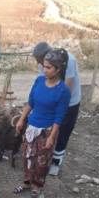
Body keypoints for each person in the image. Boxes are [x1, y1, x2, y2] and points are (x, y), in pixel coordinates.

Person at [14, 48, 70, 197]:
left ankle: (37, 185)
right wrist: (21, 119)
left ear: (58, 70)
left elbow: (59, 116)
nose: (44, 70)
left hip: (47, 129)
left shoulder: (63, 90)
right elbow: (30, 102)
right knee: (26, 155)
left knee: (42, 160)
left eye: (48, 67)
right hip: (31, 125)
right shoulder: (39, 81)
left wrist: (52, 136)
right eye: (44, 66)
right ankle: (26, 182)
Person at [32, 42, 81, 176]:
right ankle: (42, 156)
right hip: (51, 99)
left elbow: (67, 88)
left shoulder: (69, 60)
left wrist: (54, 108)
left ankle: (55, 163)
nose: (42, 67)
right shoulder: (43, 63)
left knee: (62, 131)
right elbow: (41, 82)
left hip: (69, 102)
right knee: (46, 130)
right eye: (41, 64)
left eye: (44, 63)